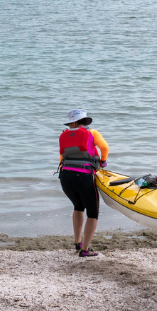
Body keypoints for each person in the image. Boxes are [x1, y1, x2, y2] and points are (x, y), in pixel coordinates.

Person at [57, 109, 110, 257]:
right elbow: (104, 148)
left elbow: (62, 158)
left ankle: (77, 242)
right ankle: (85, 250)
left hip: (65, 177)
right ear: (84, 122)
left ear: (71, 122)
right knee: (93, 213)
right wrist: (103, 161)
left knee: (78, 206)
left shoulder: (63, 135)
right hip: (84, 177)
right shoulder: (92, 133)